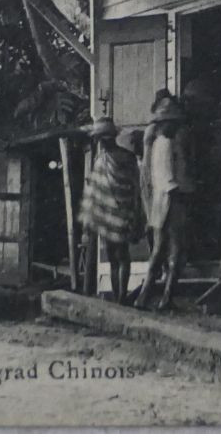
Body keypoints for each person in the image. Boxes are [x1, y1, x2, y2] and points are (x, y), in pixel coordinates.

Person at [135, 90, 194, 312]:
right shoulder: (168, 144)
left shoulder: (154, 144)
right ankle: (167, 297)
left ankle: (144, 296)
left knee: (158, 249)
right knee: (176, 250)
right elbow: (172, 176)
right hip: (172, 196)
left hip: (159, 198)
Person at [76, 118, 144, 305]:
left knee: (119, 257)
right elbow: (96, 192)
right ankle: (119, 296)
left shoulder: (119, 159)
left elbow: (136, 187)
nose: (100, 142)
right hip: (113, 215)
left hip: (119, 214)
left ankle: (120, 296)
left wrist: (137, 212)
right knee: (117, 257)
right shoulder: (105, 161)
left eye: (100, 139)